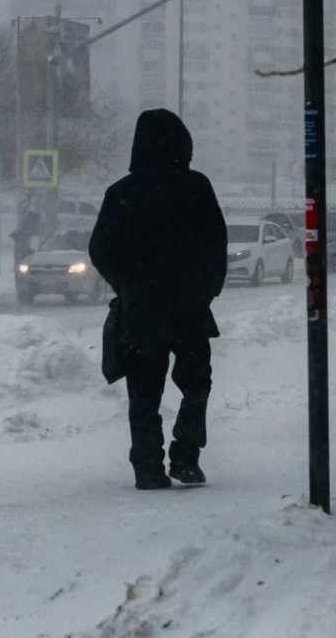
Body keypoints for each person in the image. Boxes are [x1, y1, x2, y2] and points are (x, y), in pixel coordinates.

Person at [89, 109, 227, 490]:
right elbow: (217, 243)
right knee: (196, 383)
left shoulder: (121, 194)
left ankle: (148, 466)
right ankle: (185, 456)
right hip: (189, 310)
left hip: (141, 312)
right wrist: (205, 288)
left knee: (144, 392)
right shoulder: (197, 187)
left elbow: (99, 248)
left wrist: (127, 284)